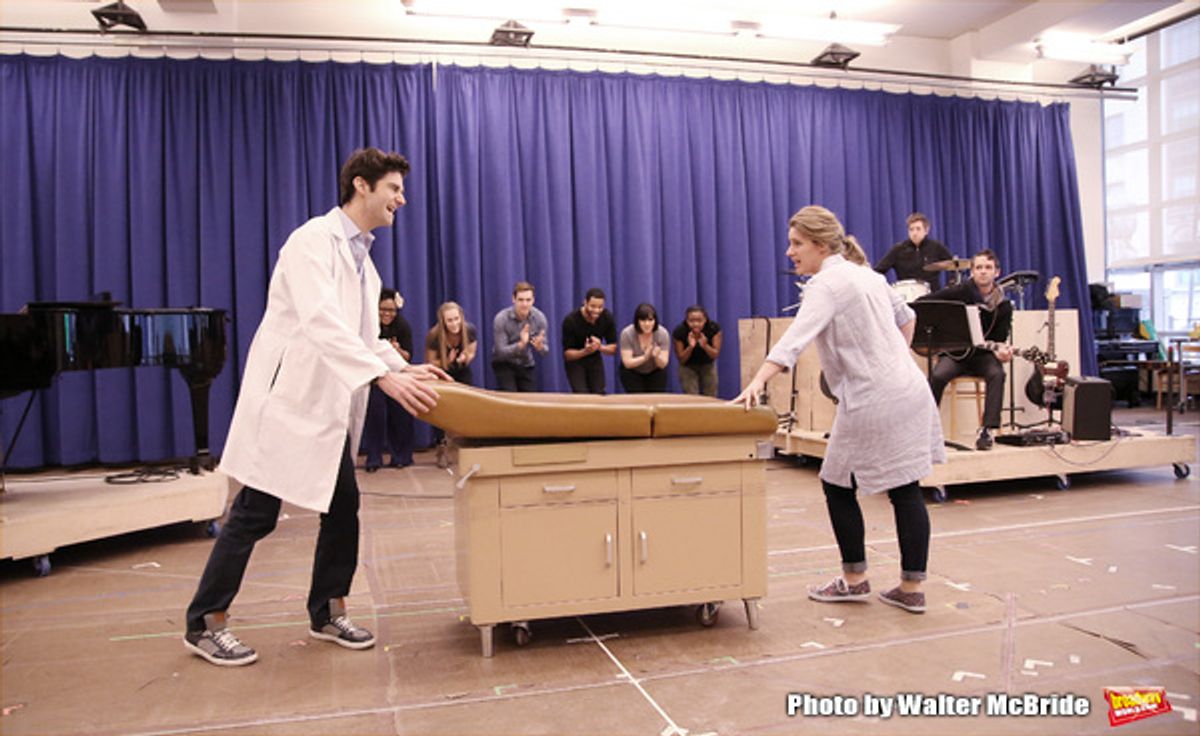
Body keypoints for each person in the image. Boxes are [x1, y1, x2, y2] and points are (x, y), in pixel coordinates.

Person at [183, 148, 449, 667]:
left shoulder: (365, 266)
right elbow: (322, 323)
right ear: (360, 186)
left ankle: (327, 611)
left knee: (342, 509)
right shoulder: (310, 242)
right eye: (394, 188)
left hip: (326, 412)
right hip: (288, 406)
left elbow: (363, 337)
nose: (402, 198)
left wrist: (400, 367)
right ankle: (204, 622)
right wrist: (384, 380)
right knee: (254, 515)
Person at [736, 205, 944, 615]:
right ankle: (911, 588)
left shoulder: (826, 284)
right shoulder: (867, 275)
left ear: (819, 244)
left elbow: (794, 339)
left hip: (874, 398)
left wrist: (757, 381)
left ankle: (854, 580)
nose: (789, 252)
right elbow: (909, 317)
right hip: (909, 390)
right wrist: (892, 358)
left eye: (796, 244)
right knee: (905, 487)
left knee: (836, 482)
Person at [919, 249, 1013, 451]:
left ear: (997, 272)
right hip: (956, 354)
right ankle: (924, 429)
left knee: (997, 374)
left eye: (988, 268)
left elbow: (999, 339)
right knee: (937, 376)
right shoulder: (959, 292)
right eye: (978, 267)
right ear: (972, 271)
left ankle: (987, 430)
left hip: (983, 355)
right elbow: (924, 305)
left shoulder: (1003, 306)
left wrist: (1001, 352)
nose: (983, 272)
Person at [361, 288, 415, 472]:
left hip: (397, 375)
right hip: (375, 377)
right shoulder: (369, 327)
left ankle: (401, 457)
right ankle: (373, 458)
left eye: (391, 310)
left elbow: (408, 357)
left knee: (400, 415)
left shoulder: (402, 326)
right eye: (383, 309)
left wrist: (396, 350)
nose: (387, 314)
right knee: (375, 416)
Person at [425, 301, 477, 467]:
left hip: (461, 370)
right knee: (441, 410)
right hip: (441, 372)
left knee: (468, 406)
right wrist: (446, 361)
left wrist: (464, 358)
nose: (455, 324)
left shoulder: (469, 330)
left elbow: (472, 352)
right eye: (450, 320)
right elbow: (430, 363)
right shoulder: (434, 335)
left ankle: (462, 446)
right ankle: (441, 447)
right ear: (443, 322)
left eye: (457, 319)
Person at [874, 212, 954, 293]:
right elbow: (878, 271)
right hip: (906, 297)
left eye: (918, 229)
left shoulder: (936, 247)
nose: (914, 233)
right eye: (911, 229)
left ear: (926, 230)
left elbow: (954, 266)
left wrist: (949, 286)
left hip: (932, 296)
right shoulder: (898, 249)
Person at [491, 281, 549, 392]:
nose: (525, 304)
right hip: (504, 363)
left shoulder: (539, 318)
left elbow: (545, 351)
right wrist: (521, 345)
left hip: (525, 363)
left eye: (528, 300)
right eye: (521, 300)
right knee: (510, 397)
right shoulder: (501, 319)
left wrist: (540, 347)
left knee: (530, 401)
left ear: (533, 300)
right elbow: (500, 352)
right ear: (513, 299)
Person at [561, 288, 618, 394]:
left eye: (600, 307)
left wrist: (600, 347)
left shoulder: (607, 317)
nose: (596, 311)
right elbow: (568, 354)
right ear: (585, 302)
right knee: (581, 394)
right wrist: (585, 351)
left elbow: (613, 348)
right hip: (576, 362)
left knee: (599, 393)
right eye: (592, 306)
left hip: (594, 359)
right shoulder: (571, 321)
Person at [619, 303, 671, 393]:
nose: (647, 324)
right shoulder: (627, 333)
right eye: (643, 320)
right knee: (637, 401)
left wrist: (656, 357)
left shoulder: (662, 334)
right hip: (632, 372)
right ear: (637, 321)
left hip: (655, 371)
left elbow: (663, 364)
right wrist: (645, 358)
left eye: (650, 320)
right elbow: (627, 363)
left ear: (655, 321)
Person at [671, 305, 722, 396]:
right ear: (687, 321)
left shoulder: (713, 328)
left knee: (711, 396)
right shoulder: (680, 331)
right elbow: (681, 359)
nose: (695, 324)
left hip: (708, 365)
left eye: (699, 321)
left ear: (705, 320)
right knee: (692, 397)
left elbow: (715, 355)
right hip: (688, 367)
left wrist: (705, 346)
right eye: (691, 321)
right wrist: (690, 347)